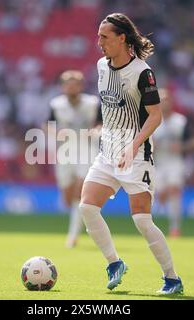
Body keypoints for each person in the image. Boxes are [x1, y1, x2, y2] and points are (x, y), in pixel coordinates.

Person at [78, 12, 183, 294]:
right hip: (107, 153)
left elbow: (155, 116)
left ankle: (172, 278)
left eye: (105, 37)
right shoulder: (102, 66)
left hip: (136, 155)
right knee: (87, 207)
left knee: (141, 220)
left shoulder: (142, 73)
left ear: (122, 38)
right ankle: (114, 263)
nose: (99, 42)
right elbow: (111, 108)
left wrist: (133, 144)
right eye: (99, 36)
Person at [47, 70, 101, 248]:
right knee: (67, 196)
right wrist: (55, 132)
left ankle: (72, 236)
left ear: (81, 86)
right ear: (63, 86)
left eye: (75, 84)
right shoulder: (56, 104)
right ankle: (81, 217)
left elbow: (102, 123)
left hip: (87, 149)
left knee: (80, 190)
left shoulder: (92, 103)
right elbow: (47, 124)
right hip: (65, 151)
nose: (72, 87)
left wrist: (96, 131)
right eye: (68, 84)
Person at [151, 88, 194, 237]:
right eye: (161, 100)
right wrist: (152, 145)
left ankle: (175, 228)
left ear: (171, 102)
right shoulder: (153, 120)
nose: (164, 103)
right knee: (161, 195)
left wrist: (182, 146)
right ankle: (154, 228)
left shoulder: (180, 121)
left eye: (166, 100)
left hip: (175, 162)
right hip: (158, 163)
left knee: (174, 191)